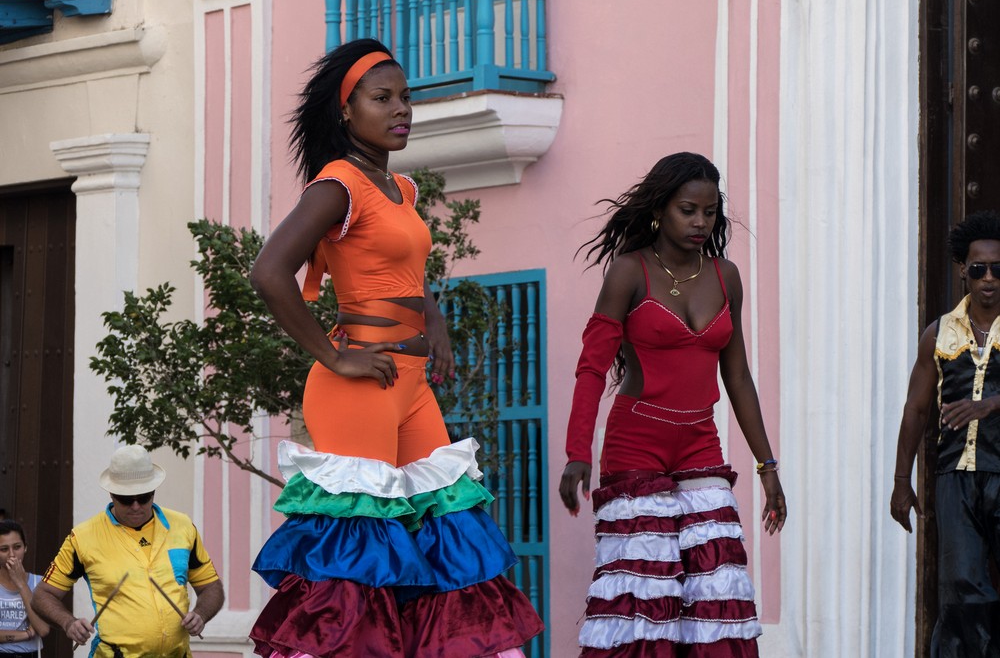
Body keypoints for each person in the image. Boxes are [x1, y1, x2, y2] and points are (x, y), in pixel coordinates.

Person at [246, 38, 543, 657]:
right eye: (382, 98)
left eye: (405, 97)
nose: (401, 109)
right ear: (345, 111)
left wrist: (431, 315)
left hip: (410, 383)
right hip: (360, 385)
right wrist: (333, 358)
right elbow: (269, 272)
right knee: (356, 555)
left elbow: (399, 271)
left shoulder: (399, 189)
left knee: (446, 531)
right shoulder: (338, 185)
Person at [559, 152, 786, 656]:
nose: (700, 222)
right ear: (660, 210)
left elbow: (739, 377)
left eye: (709, 211)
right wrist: (578, 452)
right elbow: (592, 368)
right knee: (644, 596)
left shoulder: (726, 276)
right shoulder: (628, 272)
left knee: (715, 588)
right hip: (636, 442)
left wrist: (767, 465)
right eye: (688, 210)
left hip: (700, 440)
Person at [890, 210, 1000, 657]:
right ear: (963, 271)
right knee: (962, 593)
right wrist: (901, 481)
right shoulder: (938, 333)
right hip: (954, 478)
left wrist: (990, 404)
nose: (989, 278)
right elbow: (916, 408)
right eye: (979, 269)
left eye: (998, 269)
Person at [31, 445, 225, 657]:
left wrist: (201, 614)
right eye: (126, 499)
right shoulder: (83, 537)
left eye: (143, 497)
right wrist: (69, 623)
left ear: (154, 491)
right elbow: (42, 595)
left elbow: (211, 588)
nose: (135, 506)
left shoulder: (183, 526)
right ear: (111, 494)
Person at [0, 520, 49, 655]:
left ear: (25, 547)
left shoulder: (39, 582)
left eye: (17, 547)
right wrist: (26, 634)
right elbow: (35, 630)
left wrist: (21, 584)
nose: (12, 555)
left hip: (29, 654)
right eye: (4, 549)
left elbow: (43, 629)